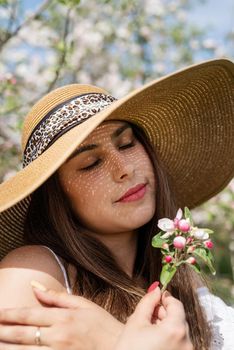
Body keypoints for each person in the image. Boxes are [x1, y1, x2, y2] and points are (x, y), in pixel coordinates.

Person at [0, 58, 233, 349]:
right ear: (57, 198)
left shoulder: (182, 276)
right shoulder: (35, 273)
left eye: (126, 144)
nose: (124, 168)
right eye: (90, 164)